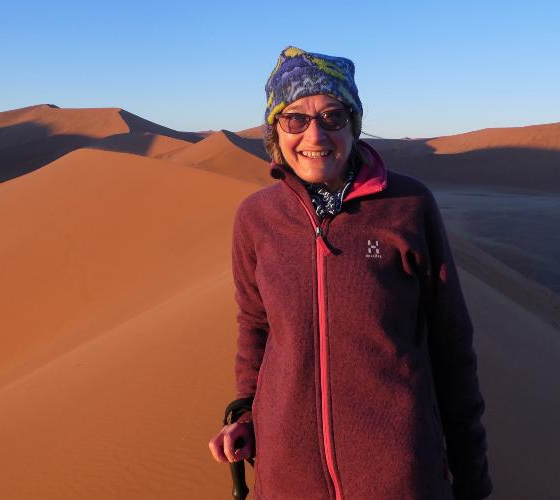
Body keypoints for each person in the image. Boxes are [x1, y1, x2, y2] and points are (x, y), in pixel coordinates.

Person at [208, 46, 492, 500]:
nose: (315, 135)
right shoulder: (257, 219)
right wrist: (246, 414)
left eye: (333, 117)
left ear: (354, 125)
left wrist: (473, 483)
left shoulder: (407, 206)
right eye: (295, 119)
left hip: (400, 481)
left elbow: (451, 348)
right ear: (275, 130)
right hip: (288, 481)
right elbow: (256, 327)